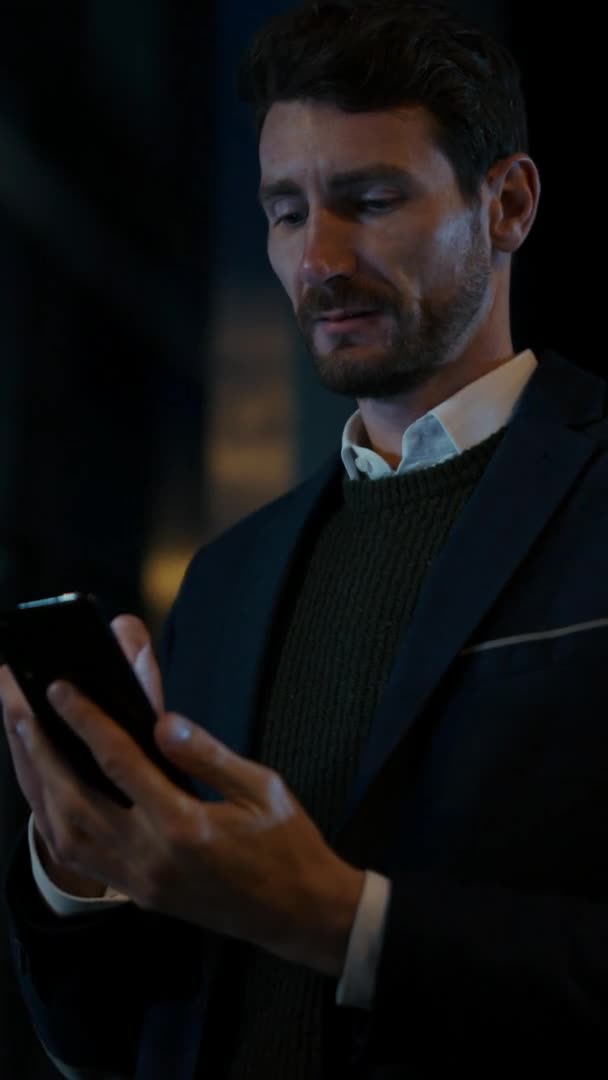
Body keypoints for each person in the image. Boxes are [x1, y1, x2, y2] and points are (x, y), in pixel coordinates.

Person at [2, 1, 608, 1076]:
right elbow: (110, 1038)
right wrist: (79, 863)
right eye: (284, 212)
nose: (315, 260)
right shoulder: (229, 579)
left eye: (367, 201)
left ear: (506, 203)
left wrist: (344, 922)